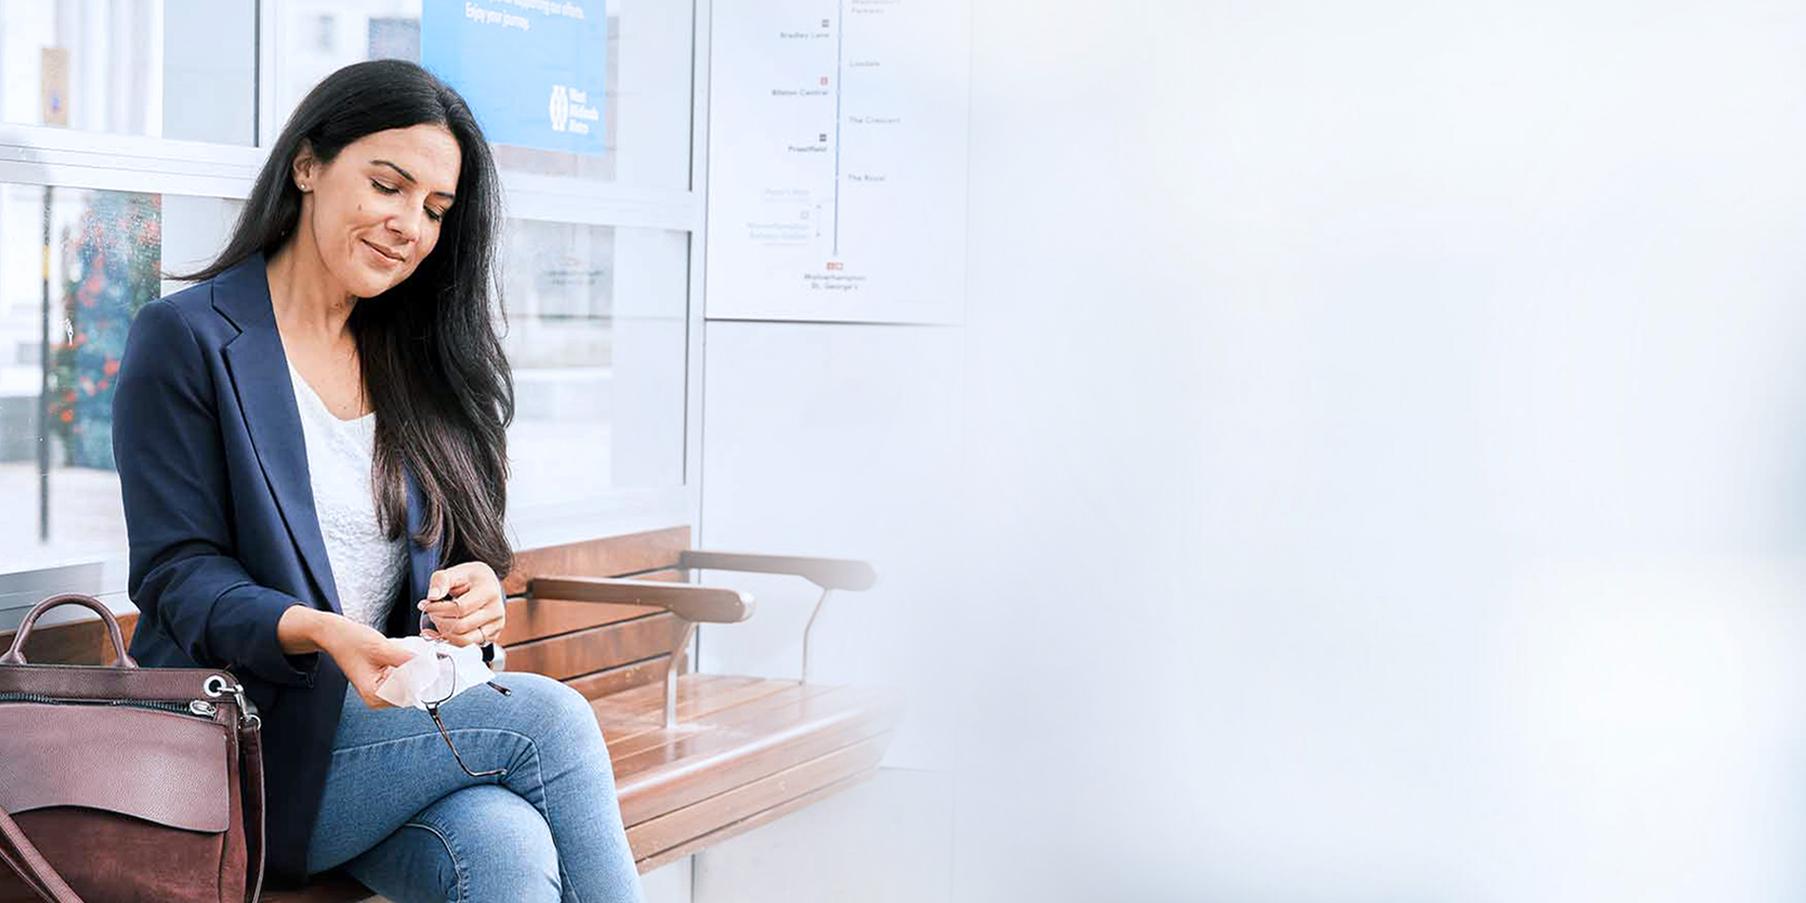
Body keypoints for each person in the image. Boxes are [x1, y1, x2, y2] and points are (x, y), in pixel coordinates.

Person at [111, 59, 643, 903]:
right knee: (552, 720)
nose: (409, 225)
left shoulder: (412, 356)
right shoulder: (188, 339)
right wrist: (322, 631)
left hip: (388, 739)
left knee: (501, 848)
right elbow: (179, 575)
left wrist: (476, 594)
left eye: (434, 210)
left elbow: (457, 557)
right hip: (250, 749)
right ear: (308, 164)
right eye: (388, 186)